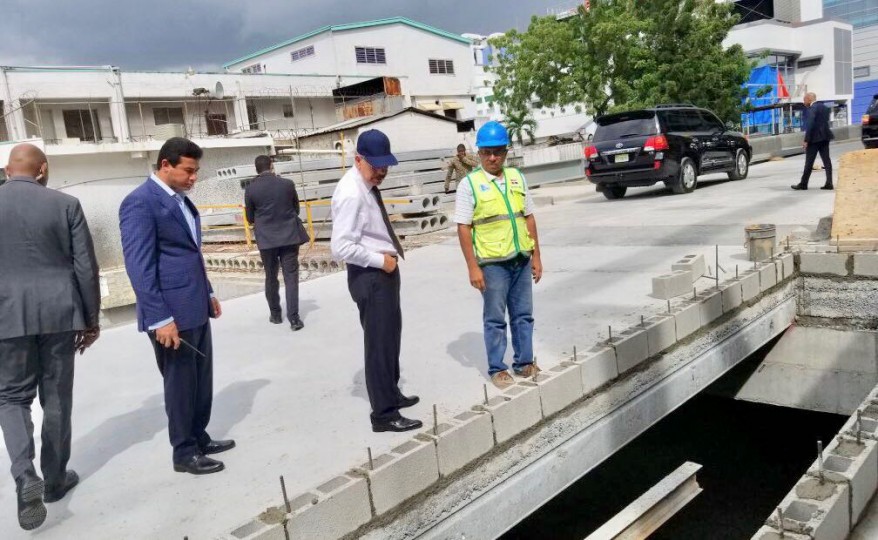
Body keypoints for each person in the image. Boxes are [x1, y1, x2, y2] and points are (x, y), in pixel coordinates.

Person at [119, 137, 235, 476]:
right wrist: (160, 318)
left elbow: (189, 253)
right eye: (188, 170)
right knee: (181, 383)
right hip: (170, 313)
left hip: (194, 303)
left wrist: (209, 292)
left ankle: (198, 436)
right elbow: (139, 267)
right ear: (165, 165)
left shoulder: (180, 200)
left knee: (201, 378)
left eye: (196, 171)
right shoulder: (140, 203)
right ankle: (184, 452)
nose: (194, 178)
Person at [0, 143, 101, 530]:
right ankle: (55, 480)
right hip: (60, 313)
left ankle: (25, 474)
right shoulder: (66, 204)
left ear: (7, 170)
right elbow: (85, 266)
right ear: (41, 170)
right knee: (56, 396)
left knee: (11, 398)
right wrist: (90, 319)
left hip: (7, 316)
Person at [330, 130, 422, 433]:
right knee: (378, 344)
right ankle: (384, 414)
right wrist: (381, 261)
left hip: (383, 271)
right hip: (370, 275)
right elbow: (340, 247)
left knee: (390, 337)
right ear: (358, 160)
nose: (382, 172)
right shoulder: (351, 194)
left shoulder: (365, 184)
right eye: (376, 166)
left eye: (386, 166)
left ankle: (391, 393)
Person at [454, 121, 543, 390]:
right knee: (495, 318)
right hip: (492, 264)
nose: (493, 158)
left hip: (520, 258)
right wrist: (473, 267)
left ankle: (524, 362)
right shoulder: (470, 184)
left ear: (506, 151)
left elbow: (528, 217)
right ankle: (498, 368)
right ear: (479, 153)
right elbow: (463, 227)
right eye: (487, 152)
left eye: (498, 152)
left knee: (523, 314)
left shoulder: (517, 177)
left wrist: (536, 257)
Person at [244, 155, 309, 330]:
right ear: (271, 166)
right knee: (291, 277)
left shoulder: (250, 190)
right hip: (289, 237)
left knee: (271, 276)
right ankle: (294, 319)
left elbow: (250, 217)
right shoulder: (287, 184)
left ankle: (275, 315)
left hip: (266, 240)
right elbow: (296, 208)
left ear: (256, 169)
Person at [792, 92, 835, 191]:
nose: (803, 102)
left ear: (809, 99)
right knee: (827, 161)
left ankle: (803, 184)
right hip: (825, 137)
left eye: (804, 100)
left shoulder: (812, 109)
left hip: (814, 139)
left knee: (809, 162)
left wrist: (806, 140)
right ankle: (829, 183)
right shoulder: (824, 107)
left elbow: (810, 125)